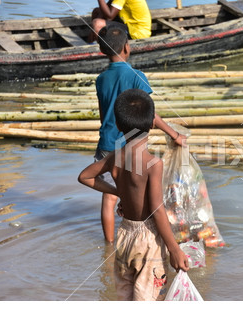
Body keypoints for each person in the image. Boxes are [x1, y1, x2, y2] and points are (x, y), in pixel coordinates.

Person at [78, 88, 190, 301]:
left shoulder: (115, 157)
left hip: (125, 236)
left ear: (119, 126)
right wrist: (174, 248)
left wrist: (117, 191)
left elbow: (85, 176)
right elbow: (157, 209)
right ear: (152, 124)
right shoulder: (153, 164)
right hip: (148, 241)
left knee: (126, 299)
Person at [95, 26, 185, 243]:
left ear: (102, 50)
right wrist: (174, 134)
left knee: (109, 197)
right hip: (131, 143)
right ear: (127, 47)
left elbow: (102, 114)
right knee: (141, 194)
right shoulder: (136, 76)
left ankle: (110, 245)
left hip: (107, 141)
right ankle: (141, 236)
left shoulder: (101, 79)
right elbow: (150, 114)